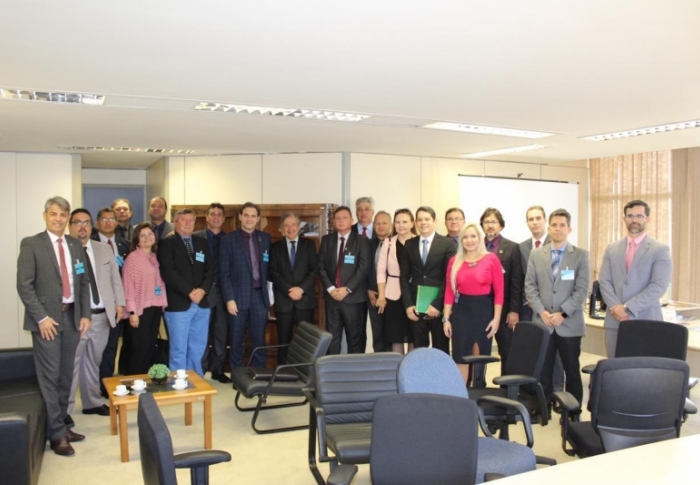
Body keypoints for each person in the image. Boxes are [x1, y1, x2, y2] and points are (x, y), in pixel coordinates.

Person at [16, 196, 91, 456]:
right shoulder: (32, 244)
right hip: (46, 321)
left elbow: (83, 283)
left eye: (63, 214)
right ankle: (56, 435)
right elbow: (24, 286)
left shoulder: (74, 244)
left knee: (65, 377)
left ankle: (60, 425)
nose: (58, 219)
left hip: (71, 319)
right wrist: (41, 318)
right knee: (50, 378)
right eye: (54, 214)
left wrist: (85, 315)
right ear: (45, 215)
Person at [525, 208, 590, 405]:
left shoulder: (580, 255)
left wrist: (562, 314)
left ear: (569, 229)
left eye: (562, 225)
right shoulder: (536, 255)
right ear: (549, 227)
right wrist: (542, 312)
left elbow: (582, 290)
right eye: (554, 225)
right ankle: (542, 407)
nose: (558, 229)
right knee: (542, 369)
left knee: (571, 370)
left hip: (569, 325)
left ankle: (572, 411)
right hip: (543, 323)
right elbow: (530, 286)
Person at [66, 209, 125, 419]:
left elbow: (114, 279)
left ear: (92, 226)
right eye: (77, 223)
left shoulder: (103, 249)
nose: (82, 227)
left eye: (86, 223)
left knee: (94, 360)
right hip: (75, 318)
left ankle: (91, 402)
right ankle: (64, 410)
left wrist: (120, 303)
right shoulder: (64, 249)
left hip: (102, 316)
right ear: (70, 226)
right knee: (71, 364)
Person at [598, 199, 672, 357]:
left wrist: (626, 308)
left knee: (642, 373)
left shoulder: (660, 249)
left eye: (639, 216)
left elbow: (658, 286)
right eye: (630, 216)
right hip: (615, 322)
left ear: (647, 219)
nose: (634, 220)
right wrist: (616, 307)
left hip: (645, 320)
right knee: (615, 370)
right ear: (624, 218)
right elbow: (604, 281)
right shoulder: (612, 248)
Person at [442, 223, 503, 383]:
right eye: (465, 237)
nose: (469, 240)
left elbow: (499, 292)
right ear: (461, 240)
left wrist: (496, 319)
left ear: (480, 238)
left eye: (473, 236)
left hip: (483, 312)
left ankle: (478, 394)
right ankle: (462, 396)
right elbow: (449, 291)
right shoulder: (454, 261)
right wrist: (446, 319)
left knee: (478, 358)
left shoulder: (491, 259)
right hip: (461, 313)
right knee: (461, 356)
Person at [158, 209, 214, 377]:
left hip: (202, 304)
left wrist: (203, 290)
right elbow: (168, 272)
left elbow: (210, 270)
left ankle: (196, 380)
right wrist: (190, 291)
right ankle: (179, 382)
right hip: (179, 304)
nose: (188, 223)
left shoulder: (201, 242)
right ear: (175, 222)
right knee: (179, 349)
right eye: (184, 220)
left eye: (191, 220)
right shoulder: (166, 243)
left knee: (197, 347)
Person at [220, 202, 271, 369]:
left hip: (259, 298)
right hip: (237, 299)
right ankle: (237, 376)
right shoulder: (228, 240)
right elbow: (224, 273)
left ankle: (259, 375)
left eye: (253, 216)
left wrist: (269, 298)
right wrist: (229, 299)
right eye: (246, 215)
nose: (249, 219)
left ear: (258, 219)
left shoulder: (265, 239)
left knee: (259, 341)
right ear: (240, 217)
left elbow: (268, 269)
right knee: (236, 341)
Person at [519, 206, 564, 392]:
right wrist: (529, 300)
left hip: (552, 312)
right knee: (531, 352)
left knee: (555, 354)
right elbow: (521, 279)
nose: (535, 222)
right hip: (527, 309)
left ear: (545, 221)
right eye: (531, 219)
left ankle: (556, 391)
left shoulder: (558, 244)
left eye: (538, 218)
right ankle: (534, 391)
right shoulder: (521, 247)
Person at [399, 206, 456, 353]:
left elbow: (449, 277)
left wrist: (438, 304)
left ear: (435, 221)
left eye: (427, 219)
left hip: (439, 306)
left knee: (441, 349)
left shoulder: (447, 244)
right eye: (420, 219)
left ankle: (440, 376)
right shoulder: (409, 244)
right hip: (416, 306)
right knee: (420, 349)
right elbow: (404, 277)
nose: (423, 223)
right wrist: (408, 304)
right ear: (415, 222)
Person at [318, 206, 370, 354]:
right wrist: (330, 289)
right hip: (332, 298)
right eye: (338, 218)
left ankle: (354, 374)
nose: (341, 221)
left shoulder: (361, 241)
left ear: (352, 220)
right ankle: (333, 373)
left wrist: (347, 289)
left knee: (355, 339)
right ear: (333, 221)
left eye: (345, 218)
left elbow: (363, 268)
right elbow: (320, 266)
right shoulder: (327, 240)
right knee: (332, 340)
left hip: (353, 299)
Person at [269, 211, 318, 363]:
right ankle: (283, 374)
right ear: (282, 229)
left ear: (299, 226)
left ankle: (304, 373)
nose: (290, 228)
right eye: (286, 226)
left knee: (305, 341)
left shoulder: (309, 245)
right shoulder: (275, 247)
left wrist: (300, 289)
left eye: (293, 225)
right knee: (284, 341)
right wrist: (289, 290)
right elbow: (273, 272)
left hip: (305, 301)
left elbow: (314, 269)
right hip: (284, 301)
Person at [92, 206, 132, 396]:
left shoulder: (125, 244)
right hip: (97, 304)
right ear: (97, 223)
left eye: (111, 219)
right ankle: (91, 384)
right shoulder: (89, 244)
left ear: (117, 223)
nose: (108, 223)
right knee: (93, 349)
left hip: (118, 303)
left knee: (111, 346)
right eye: (104, 219)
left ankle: (105, 385)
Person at [480, 207, 523, 374]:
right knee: (480, 350)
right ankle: (477, 386)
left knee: (507, 350)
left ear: (501, 226)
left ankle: (507, 389)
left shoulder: (512, 248)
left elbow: (516, 282)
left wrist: (514, 310)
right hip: (481, 308)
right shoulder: (475, 246)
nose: (490, 225)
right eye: (487, 222)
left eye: (494, 222)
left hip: (505, 309)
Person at [121, 222, 168, 374]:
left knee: (149, 347)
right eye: (142, 235)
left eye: (150, 234)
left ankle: (144, 383)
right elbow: (128, 287)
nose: (147, 238)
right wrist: (133, 312)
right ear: (137, 239)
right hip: (140, 310)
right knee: (139, 349)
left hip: (154, 308)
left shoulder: (154, 257)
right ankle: (134, 383)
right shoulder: (132, 258)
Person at [193, 203, 230, 382]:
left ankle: (217, 370)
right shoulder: (194, 238)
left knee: (220, 333)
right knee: (201, 334)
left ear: (223, 219)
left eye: (219, 215)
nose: (215, 217)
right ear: (206, 217)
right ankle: (200, 370)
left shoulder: (230, 240)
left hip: (223, 292)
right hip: (202, 293)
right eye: (212, 214)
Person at [377, 208, 417, 354]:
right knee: (396, 336)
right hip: (392, 294)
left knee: (414, 336)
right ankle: (399, 372)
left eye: (405, 222)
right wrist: (381, 296)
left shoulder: (418, 242)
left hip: (414, 295)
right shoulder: (388, 243)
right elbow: (381, 271)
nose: (401, 225)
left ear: (412, 223)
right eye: (398, 222)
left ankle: (411, 372)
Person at [366, 211, 393, 352]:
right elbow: (362, 269)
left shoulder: (397, 243)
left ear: (391, 225)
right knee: (377, 335)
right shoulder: (367, 244)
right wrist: (368, 290)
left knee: (392, 335)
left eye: (384, 223)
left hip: (393, 296)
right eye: (377, 223)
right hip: (373, 296)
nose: (381, 226)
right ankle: (378, 367)